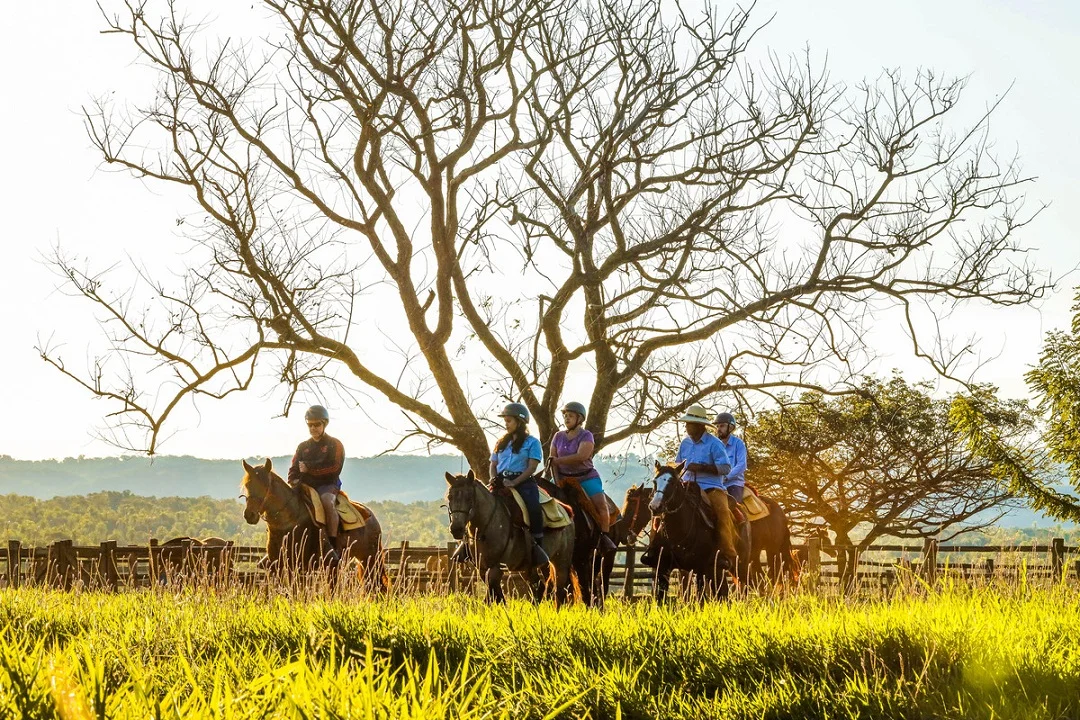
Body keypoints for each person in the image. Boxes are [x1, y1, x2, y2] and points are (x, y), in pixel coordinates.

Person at [673, 405, 738, 568]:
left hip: (711, 488)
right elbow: (677, 465)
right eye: (686, 423)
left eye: (690, 424)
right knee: (664, 505)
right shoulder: (685, 444)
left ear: (700, 425)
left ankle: (728, 553)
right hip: (687, 485)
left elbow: (726, 468)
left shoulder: (715, 444)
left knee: (723, 513)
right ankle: (657, 547)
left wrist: (702, 467)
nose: (687, 427)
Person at [549, 401, 616, 553]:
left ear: (579, 419)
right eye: (565, 416)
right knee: (543, 498)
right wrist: (557, 479)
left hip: (586, 477)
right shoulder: (557, 436)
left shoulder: (587, 435)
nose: (566, 418)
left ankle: (604, 537)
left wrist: (557, 461)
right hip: (562, 477)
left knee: (601, 505)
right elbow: (552, 460)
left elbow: (581, 456)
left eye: (570, 416)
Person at [491, 402, 550, 566]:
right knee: (480, 503)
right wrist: (493, 478)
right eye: (506, 421)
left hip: (523, 481)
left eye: (509, 421)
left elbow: (532, 467)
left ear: (520, 421)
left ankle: (538, 544)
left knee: (533, 507)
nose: (506, 424)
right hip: (501, 481)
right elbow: (493, 464)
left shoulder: (532, 442)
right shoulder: (501, 442)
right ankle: (468, 544)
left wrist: (514, 482)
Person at [288, 404, 344, 562]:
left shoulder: (335, 444)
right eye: (310, 424)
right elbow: (293, 467)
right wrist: (293, 481)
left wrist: (309, 470)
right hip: (305, 485)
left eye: (317, 424)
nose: (313, 428)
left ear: (324, 424)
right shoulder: (302, 447)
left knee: (327, 501)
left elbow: (335, 468)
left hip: (328, 485)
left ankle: (332, 545)